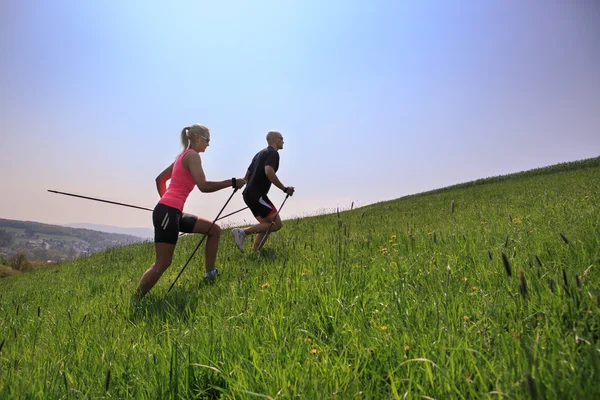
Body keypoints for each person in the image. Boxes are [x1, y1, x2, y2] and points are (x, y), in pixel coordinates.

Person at [133, 124, 246, 301]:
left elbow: (160, 179)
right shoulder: (192, 156)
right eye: (207, 140)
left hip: (172, 211)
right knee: (163, 262)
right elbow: (204, 186)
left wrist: (168, 203)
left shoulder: (181, 157)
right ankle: (135, 300)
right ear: (198, 138)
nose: (208, 145)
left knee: (214, 230)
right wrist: (232, 182)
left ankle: (211, 274)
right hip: (169, 212)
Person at [231, 130, 294, 253]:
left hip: (249, 194)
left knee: (266, 224)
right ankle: (242, 232)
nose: (283, 141)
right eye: (281, 139)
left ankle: (255, 252)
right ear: (275, 139)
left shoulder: (259, 154)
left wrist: (243, 184)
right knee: (275, 225)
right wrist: (284, 189)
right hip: (257, 195)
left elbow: (247, 174)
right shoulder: (273, 153)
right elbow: (269, 171)